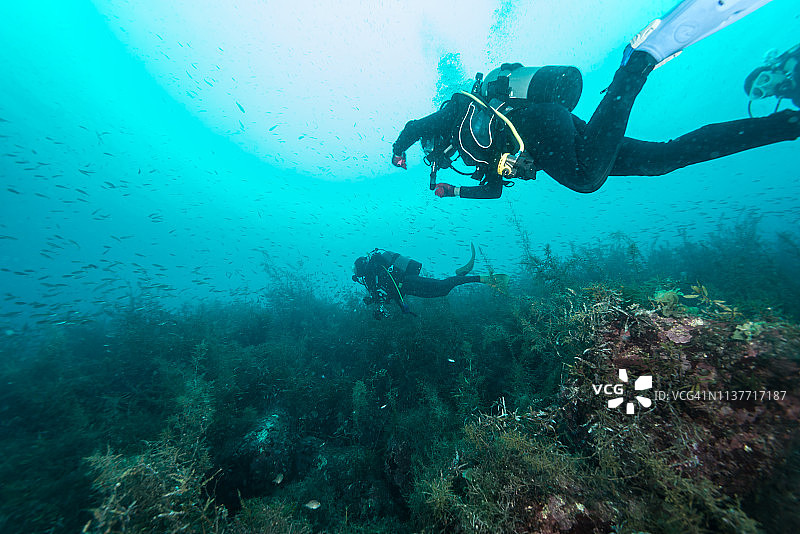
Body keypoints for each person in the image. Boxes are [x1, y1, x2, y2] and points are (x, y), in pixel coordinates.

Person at [391, 0, 797, 197]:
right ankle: (786, 125)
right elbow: (494, 191)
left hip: (537, 126)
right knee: (662, 160)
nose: (438, 158)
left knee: (587, 178)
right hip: (552, 131)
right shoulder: (475, 155)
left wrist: (398, 149)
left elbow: (413, 127)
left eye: (433, 152)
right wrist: (453, 192)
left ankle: (637, 63)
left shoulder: (453, 117)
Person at [351, 247, 508, 319]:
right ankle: (461, 275)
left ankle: (486, 279)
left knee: (442, 286)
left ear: (361, 268)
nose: (356, 275)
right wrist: (402, 307)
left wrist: (379, 299)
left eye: (356, 271)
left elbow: (391, 284)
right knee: (443, 290)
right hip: (408, 287)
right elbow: (390, 293)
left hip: (408, 281)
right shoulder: (374, 278)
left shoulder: (375, 269)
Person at [744, 43, 800, 113]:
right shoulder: (797, 99)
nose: (768, 86)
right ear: (769, 95)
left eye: (766, 80)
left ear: (773, 70)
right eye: (761, 92)